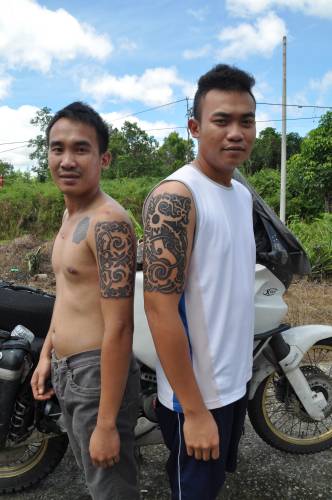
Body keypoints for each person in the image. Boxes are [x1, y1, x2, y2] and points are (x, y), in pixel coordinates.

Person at [143, 64, 257, 500]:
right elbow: (160, 310)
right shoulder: (176, 196)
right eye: (221, 120)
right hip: (199, 396)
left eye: (245, 121)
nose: (236, 132)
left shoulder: (240, 194)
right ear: (194, 126)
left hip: (234, 382)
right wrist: (193, 411)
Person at [31, 102, 140, 500]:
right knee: (95, 480)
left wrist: (107, 422)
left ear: (103, 158)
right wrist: (47, 356)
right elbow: (67, 295)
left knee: (112, 487)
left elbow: (120, 326)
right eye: (57, 148)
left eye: (81, 149)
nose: (67, 160)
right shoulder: (69, 215)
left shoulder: (108, 222)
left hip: (97, 375)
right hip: (68, 369)